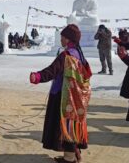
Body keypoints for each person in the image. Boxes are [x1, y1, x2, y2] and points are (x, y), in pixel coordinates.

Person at [30, 24, 92, 163]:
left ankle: (69, 159)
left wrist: (37, 77)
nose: (61, 39)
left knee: (65, 126)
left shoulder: (67, 55)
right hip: (76, 98)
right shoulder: (79, 55)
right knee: (72, 124)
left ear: (68, 38)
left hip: (63, 97)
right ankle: (74, 153)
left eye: (63, 37)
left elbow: (52, 70)